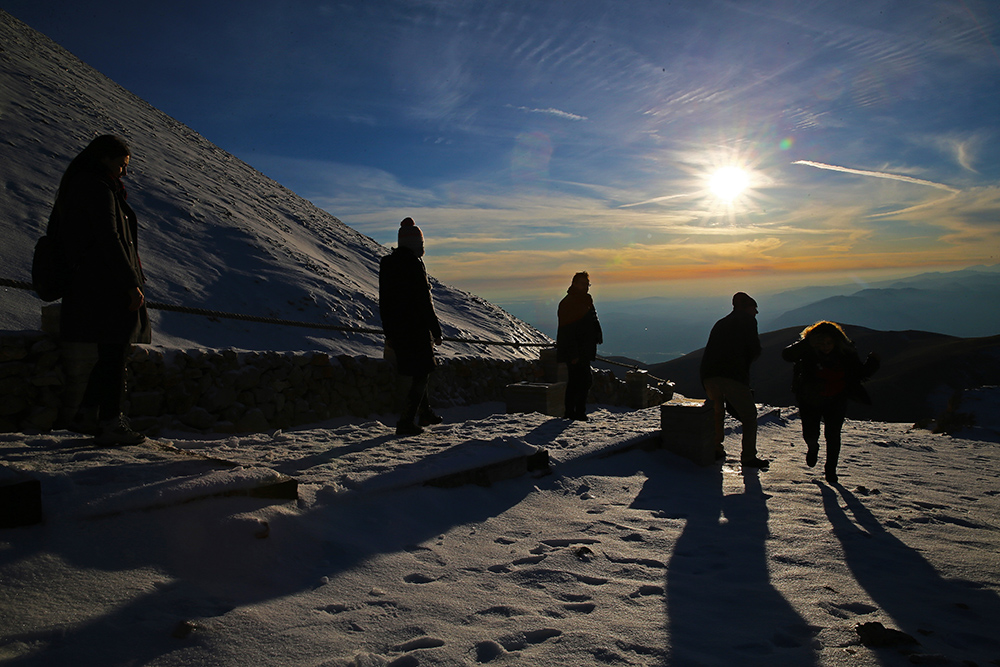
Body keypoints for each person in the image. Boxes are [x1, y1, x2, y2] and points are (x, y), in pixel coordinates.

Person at [51, 134, 151, 445]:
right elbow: (109, 237)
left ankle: (86, 414)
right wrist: (130, 283)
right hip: (107, 283)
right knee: (115, 352)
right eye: (121, 165)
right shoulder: (97, 187)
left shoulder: (81, 185)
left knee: (111, 352)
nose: (124, 171)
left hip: (93, 281)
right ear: (104, 159)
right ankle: (110, 421)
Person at [781, 320, 880, 484]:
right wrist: (807, 343)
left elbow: (859, 373)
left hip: (836, 399)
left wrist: (873, 362)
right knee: (810, 433)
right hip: (810, 399)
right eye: (821, 343)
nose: (825, 346)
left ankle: (830, 470)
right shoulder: (807, 351)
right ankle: (813, 447)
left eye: (829, 342)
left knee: (833, 435)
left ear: (836, 341)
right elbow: (787, 355)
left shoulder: (845, 353)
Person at [379, 217, 444, 436]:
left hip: (397, 329)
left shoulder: (387, 264)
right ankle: (406, 420)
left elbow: (384, 301)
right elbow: (424, 301)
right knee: (423, 372)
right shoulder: (414, 264)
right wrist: (436, 331)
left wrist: (389, 332)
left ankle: (424, 412)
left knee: (417, 370)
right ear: (417, 244)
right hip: (415, 329)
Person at [699, 292, 767, 467]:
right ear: (746, 308)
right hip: (732, 376)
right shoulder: (748, 321)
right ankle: (749, 456)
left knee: (717, 413)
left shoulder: (721, 323)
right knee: (749, 416)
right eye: (754, 308)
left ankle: (715, 448)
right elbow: (753, 349)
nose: (756, 312)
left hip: (709, 375)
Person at [556, 271, 603, 421]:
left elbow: (592, 319)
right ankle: (574, 413)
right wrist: (573, 354)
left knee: (582, 381)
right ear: (574, 284)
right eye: (583, 284)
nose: (586, 287)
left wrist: (597, 333)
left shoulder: (585, 300)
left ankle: (576, 412)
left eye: (587, 284)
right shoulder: (568, 303)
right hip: (575, 350)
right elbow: (567, 330)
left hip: (584, 348)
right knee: (579, 381)